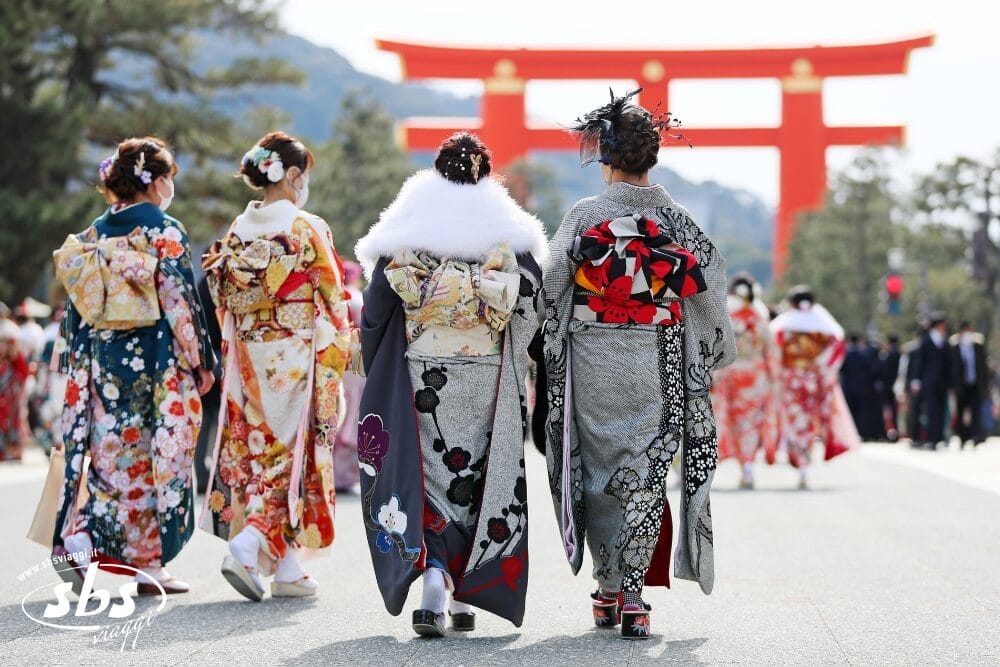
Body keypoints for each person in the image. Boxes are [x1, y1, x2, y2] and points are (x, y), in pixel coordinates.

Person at [540, 90, 736, 639]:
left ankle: (605, 586)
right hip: (660, 358)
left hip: (594, 355)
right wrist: (710, 344)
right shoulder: (676, 219)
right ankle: (633, 597)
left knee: (598, 472)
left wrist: (544, 329)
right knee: (647, 473)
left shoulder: (585, 215)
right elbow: (709, 280)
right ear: (652, 158)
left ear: (606, 158)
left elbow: (553, 282)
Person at [355, 132, 546, 637]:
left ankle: (436, 577)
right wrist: (517, 352)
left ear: (438, 170)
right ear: (486, 172)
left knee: (431, 473)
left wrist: (380, 367)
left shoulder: (409, 226)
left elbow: (376, 309)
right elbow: (531, 306)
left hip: (422, 370)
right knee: (476, 475)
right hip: (487, 370)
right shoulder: (508, 229)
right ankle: (463, 589)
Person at [50, 137, 215, 594]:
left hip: (103, 360)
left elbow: (78, 304)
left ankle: (87, 537)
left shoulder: (94, 234)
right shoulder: (163, 230)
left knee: (113, 456)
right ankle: (143, 560)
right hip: (154, 359)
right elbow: (180, 299)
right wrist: (201, 359)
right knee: (156, 454)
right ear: (158, 182)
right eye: (170, 180)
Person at [201, 131, 354, 601]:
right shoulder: (306, 226)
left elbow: (222, 298)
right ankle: (249, 543)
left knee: (262, 450)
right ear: (291, 175)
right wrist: (337, 352)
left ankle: (286, 567)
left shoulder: (236, 231)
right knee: (292, 451)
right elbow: (332, 297)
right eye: (303, 174)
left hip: (248, 355)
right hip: (294, 355)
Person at [770, 286, 858, 489]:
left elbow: (773, 351)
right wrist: (823, 371)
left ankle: (799, 460)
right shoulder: (824, 325)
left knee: (794, 422)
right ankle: (804, 464)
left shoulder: (785, 325)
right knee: (810, 424)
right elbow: (836, 351)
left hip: (790, 380)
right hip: (813, 381)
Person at [710, 273, 778, 489]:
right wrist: (774, 378)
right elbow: (771, 349)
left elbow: (715, 346)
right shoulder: (760, 317)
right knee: (751, 422)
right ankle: (747, 466)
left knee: (731, 421)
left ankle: (739, 463)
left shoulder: (727, 314)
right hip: (756, 375)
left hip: (730, 372)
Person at [332, 260, 364, 493]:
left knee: (340, 412)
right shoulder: (355, 297)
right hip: (355, 359)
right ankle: (344, 476)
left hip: (336, 358)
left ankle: (335, 474)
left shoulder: (336, 295)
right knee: (353, 415)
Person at [910, 314, 951, 449]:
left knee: (940, 410)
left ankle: (938, 438)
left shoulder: (944, 341)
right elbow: (920, 362)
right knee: (932, 410)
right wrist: (916, 379)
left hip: (942, 382)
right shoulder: (926, 340)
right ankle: (930, 439)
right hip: (928, 381)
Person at [950, 322, 988, 448]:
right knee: (961, 412)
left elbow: (983, 368)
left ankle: (976, 436)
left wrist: (986, 386)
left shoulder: (978, 347)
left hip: (975, 385)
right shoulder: (955, 348)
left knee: (976, 412)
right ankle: (963, 438)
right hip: (961, 386)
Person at [0, 304, 29, 462]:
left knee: (12, 416)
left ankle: (12, 449)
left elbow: (20, 365)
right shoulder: (12, 330)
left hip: (9, 382)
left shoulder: (11, 332)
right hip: (7, 379)